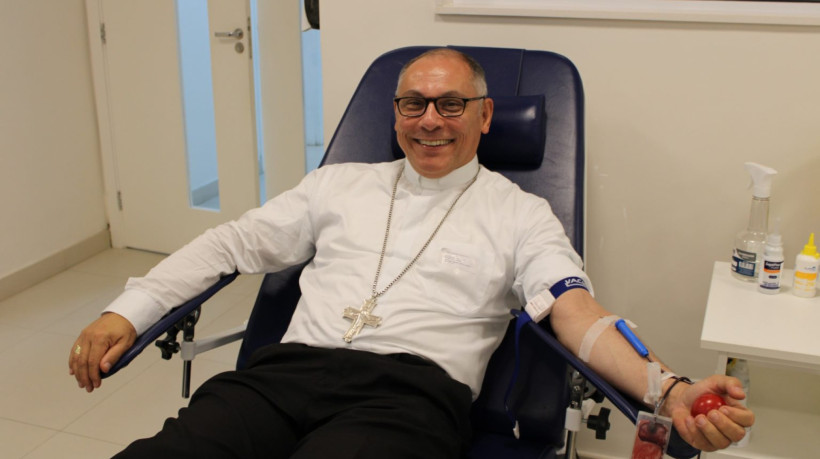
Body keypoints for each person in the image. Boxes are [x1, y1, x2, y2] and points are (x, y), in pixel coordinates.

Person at [69, 48, 754, 458]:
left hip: (407, 398)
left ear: (487, 116)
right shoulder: (337, 184)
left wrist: (671, 388)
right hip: (282, 377)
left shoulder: (520, 213)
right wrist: (129, 309)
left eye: (451, 104)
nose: (430, 120)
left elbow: (578, 315)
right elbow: (230, 242)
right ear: (393, 114)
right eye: (413, 104)